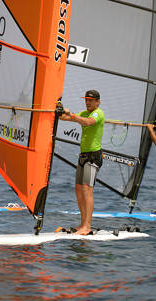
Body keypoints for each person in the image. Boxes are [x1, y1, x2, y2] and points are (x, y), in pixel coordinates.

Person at [59, 90, 105, 235]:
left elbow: (88, 122)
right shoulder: (83, 113)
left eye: (91, 100)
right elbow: (64, 118)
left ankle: (87, 226)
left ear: (98, 101)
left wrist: (71, 115)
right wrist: (59, 110)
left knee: (87, 190)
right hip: (83, 156)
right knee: (78, 189)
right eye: (86, 100)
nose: (88, 102)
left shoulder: (98, 113)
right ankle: (82, 223)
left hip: (93, 157)